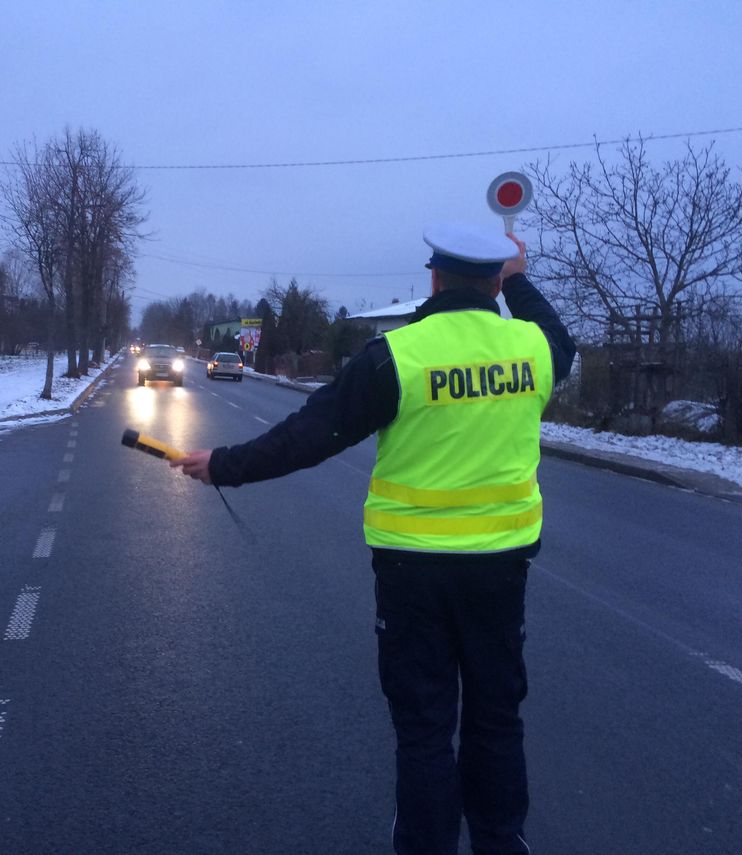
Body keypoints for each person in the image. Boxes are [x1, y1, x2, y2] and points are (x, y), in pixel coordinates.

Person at [170, 222, 576, 855]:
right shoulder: (533, 349)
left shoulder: (398, 355)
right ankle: (500, 841)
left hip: (412, 573)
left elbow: (309, 435)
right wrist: (520, 281)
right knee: (497, 720)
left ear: (434, 278)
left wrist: (223, 465)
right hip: (501, 570)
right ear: (494, 283)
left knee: (423, 728)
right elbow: (559, 336)